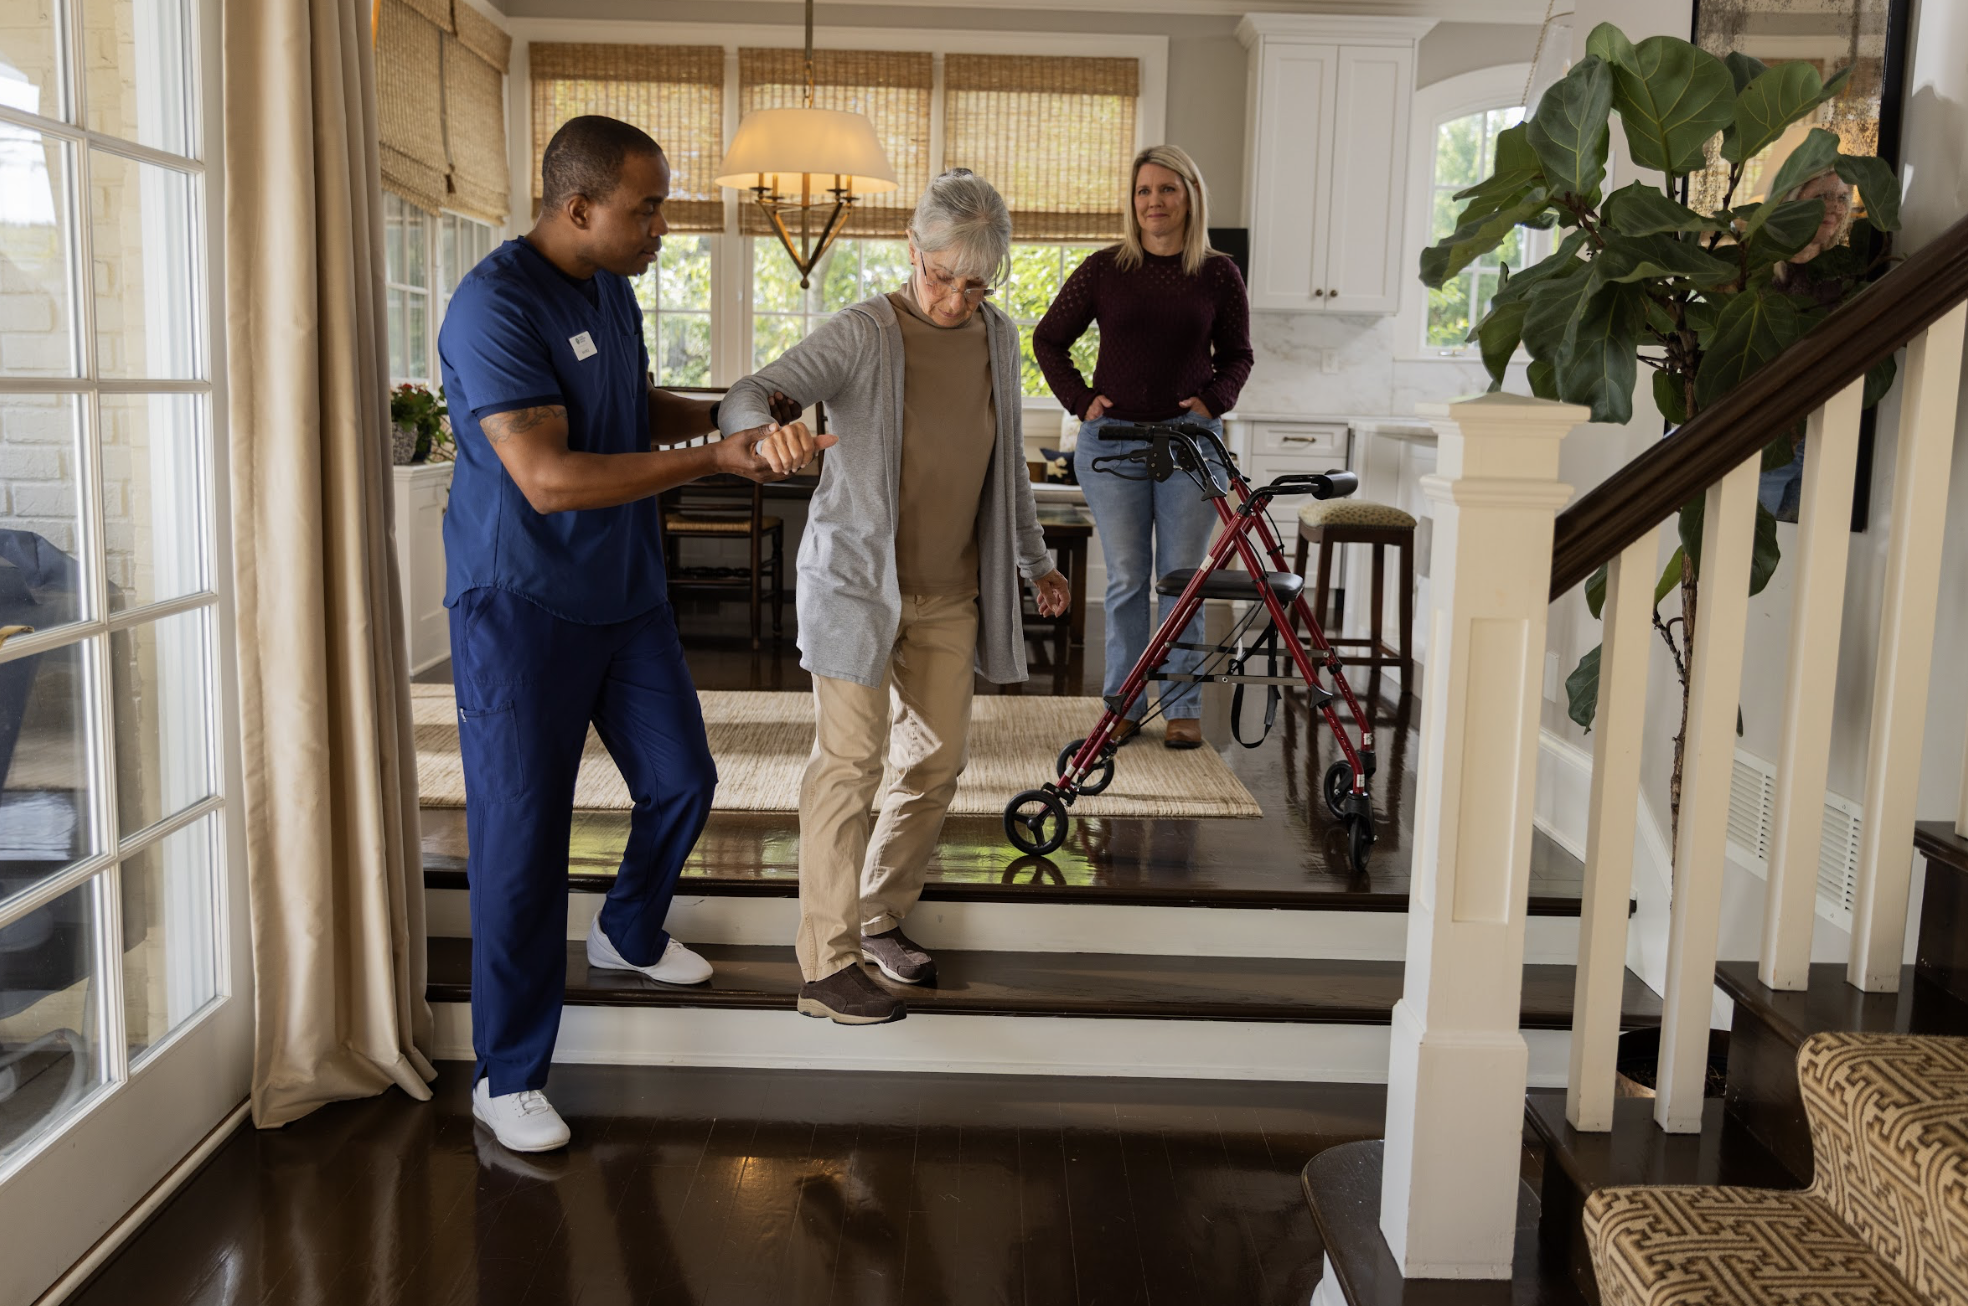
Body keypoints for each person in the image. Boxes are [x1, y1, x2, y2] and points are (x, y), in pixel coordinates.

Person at [438, 115, 829, 1152]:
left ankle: (625, 930)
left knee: (685, 779)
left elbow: (625, 406)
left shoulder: (609, 287)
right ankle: (506, 1072)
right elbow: (551, 476)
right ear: (578, 208)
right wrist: (717, 461)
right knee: (522, 844)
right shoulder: (494, 305)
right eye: (647, 206)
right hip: (519, 607)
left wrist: (730, 421)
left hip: (623, 593)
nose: (664, 225)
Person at [721, 170, 1071, 1026]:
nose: (954, 298)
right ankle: (825, 964)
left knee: (939, 760)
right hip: (854, 586)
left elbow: (1005, 466)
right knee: (850, 765)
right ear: (911, 251)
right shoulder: (862, 332)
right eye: (940, 276)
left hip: (951, 592)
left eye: (974, 283)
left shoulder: (996, 336)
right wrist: (772, 431)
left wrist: (1033, 561)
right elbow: (750, 392)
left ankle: (878, 917)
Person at [1033, 144, 1253, 749]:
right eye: (1143, 191)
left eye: (1167, 190)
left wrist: (1213, 400)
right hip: (1113, 446)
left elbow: (1238, 355)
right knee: (1129, 578)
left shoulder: (1217, 272)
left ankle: (1181, 705)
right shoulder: (1106, 269)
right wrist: (1081, 401)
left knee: (1181, 580)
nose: (1153, 201)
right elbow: (1049, 339)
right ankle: (1124, 702)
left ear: (1190, 197)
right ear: (1133, 203)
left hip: (1190, 446)